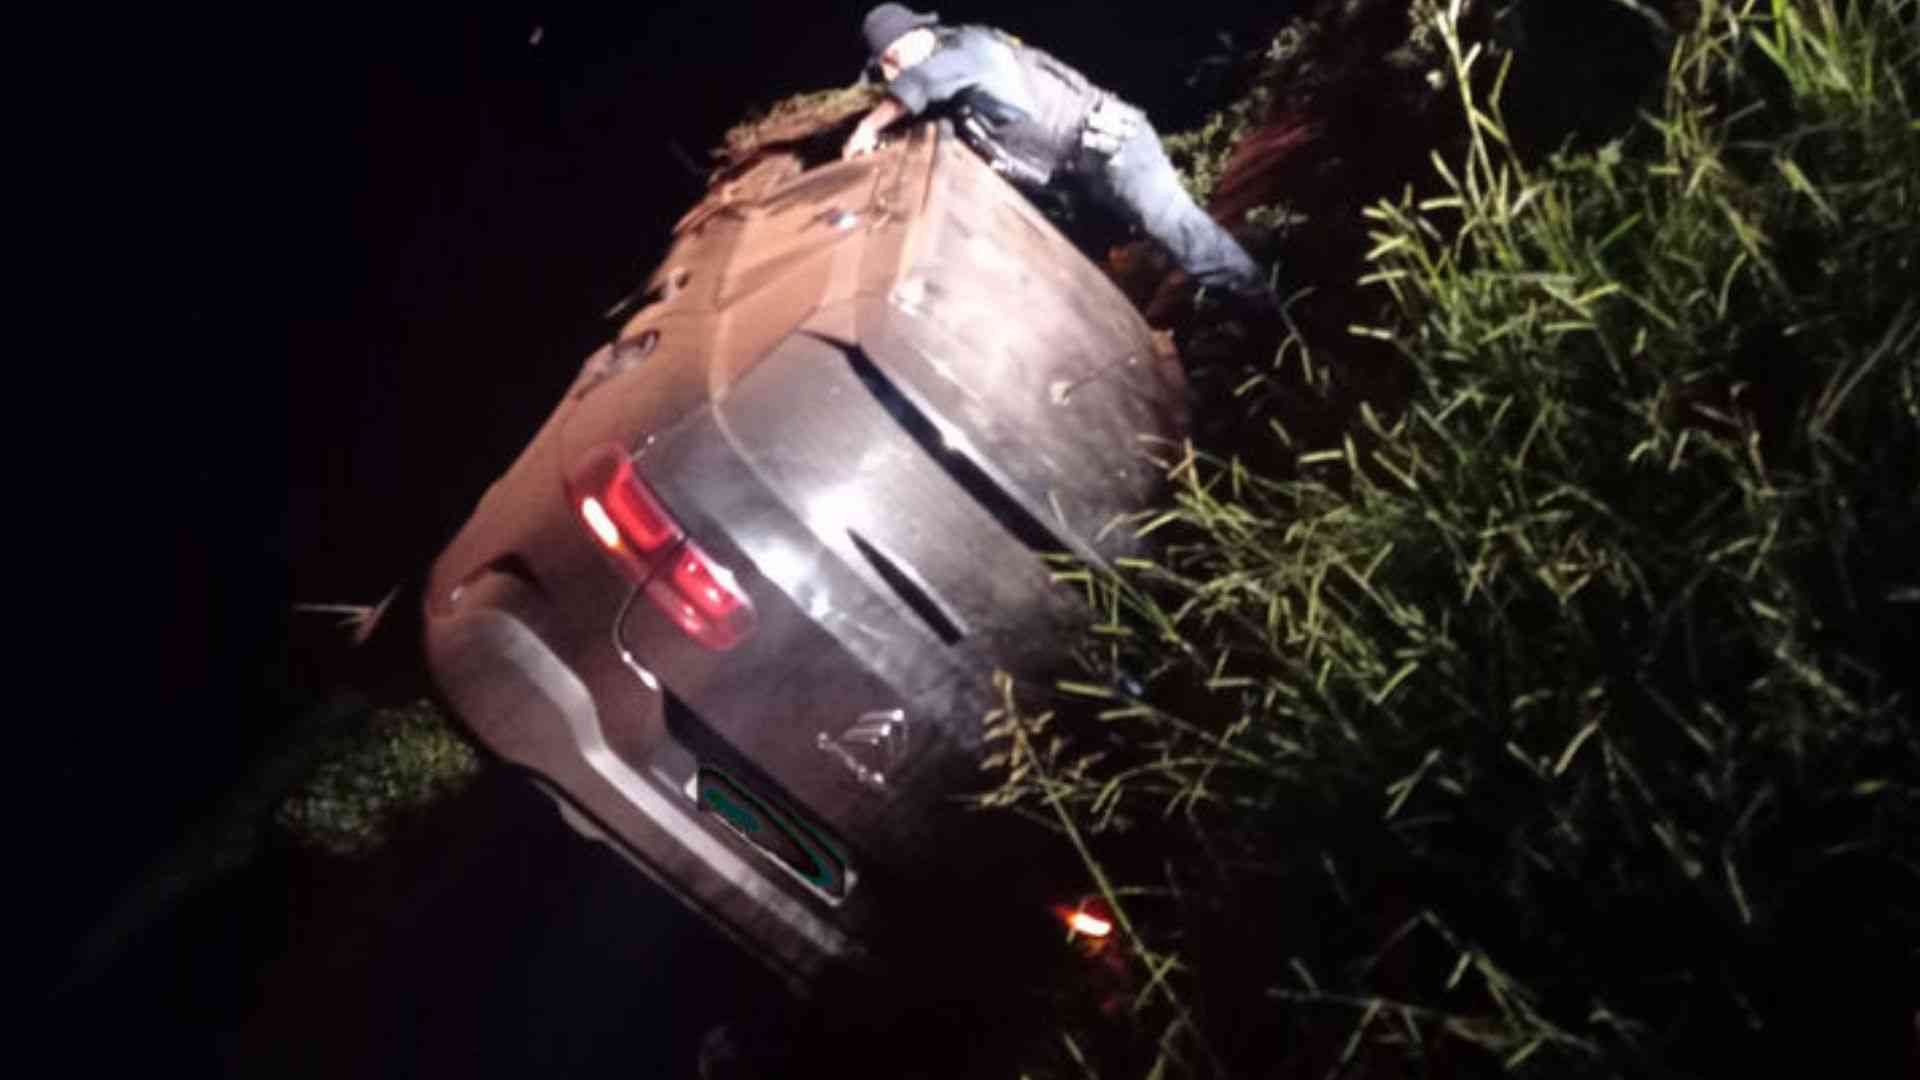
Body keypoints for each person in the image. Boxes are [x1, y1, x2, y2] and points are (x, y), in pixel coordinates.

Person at [844, 4, 1278, 309]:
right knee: (1145, 245)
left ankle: (1269, 311)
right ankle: (1253, 267)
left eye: (892, 59)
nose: (891, 74)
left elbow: (920, 84)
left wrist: (867, 128)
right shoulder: (954, 81)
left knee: (1177, 227)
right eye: (884, 68)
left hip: (1117, 149)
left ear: (917, 37)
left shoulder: (966, 50)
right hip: (1085, 170)